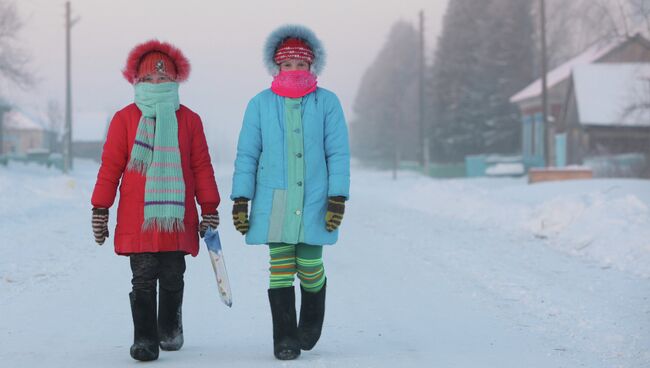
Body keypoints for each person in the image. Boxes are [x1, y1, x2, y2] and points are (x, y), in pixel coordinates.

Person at [90, 40, 220, 361]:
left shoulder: (189, 120)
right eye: (148, 79)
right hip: (138, 216)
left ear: (175, 81)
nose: (156, 84)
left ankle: (169, 328)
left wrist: (210, 208)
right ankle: (145, 339)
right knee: (144, 276)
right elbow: (111, 167)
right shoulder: (125, 119)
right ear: (136, 82)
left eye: (163, 79)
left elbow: (201, 167)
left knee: (174, 274)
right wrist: (100, 208)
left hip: (177, 215)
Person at [231, 24, 350, 360]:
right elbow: (248, 154)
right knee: (281, 267)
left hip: (316, 198)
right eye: (287, 64)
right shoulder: (260, 104)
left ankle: (311, 318)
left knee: (310, 265)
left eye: (301, 64)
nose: (294, 70)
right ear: (276, 66)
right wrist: (242, 198)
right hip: (276, 198)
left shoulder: (327, 102)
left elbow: (337, 152)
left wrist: (337, 196)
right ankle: (284, 337)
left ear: (312, 66)